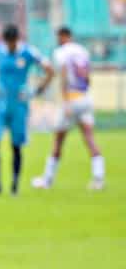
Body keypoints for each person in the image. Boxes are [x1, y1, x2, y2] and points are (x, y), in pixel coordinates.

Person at [0, 24, 53, 196]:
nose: (10, 46)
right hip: (1, 103)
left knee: (16, 145)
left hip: (19, 104)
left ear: (17, 39)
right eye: (7, 42)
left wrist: (38, 90)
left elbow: (49, 69)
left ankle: (14, 185)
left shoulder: (28, 52)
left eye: (12, 42)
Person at [33, 26, 107, 190]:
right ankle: (99, 178)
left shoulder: (61, 52)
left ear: (63, 36)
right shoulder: (82, 51)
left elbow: (64, 75)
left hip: (72, 100)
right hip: (85, 98)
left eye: (58, 37)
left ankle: (47, 179)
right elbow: (87, 76)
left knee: (58, 140)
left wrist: (66, 101)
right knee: (89, 138)